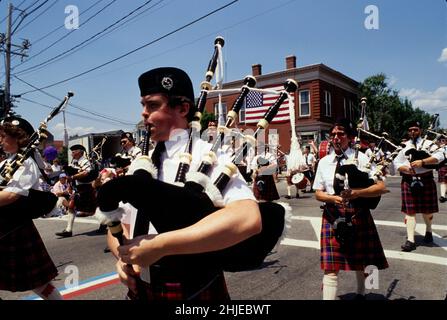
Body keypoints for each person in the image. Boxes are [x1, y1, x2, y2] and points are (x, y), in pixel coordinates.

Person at [106, 67, 261, 300]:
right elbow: (121, 221)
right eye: (142, 105)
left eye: (152, 105)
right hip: (142, 287)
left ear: (183, 108)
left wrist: (161, 245)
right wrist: (121, 255)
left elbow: (249, 219)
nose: (143, 114)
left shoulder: (209, 155)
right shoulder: (141, 162)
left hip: (191, 287)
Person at [313, 118, 388, 300]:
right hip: (333, 215)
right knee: (330, 268)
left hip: (359, 214)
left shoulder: (363, 159)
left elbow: (381, 188)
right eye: (333, 135)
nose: (336, 138)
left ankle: (364, 293)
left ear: (351, 137)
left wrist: (356, 193)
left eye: (341, 134)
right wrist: (332, 198)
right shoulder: (324, 162)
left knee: (366, 263)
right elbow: (318, 193)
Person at [0, 116, 63, 300]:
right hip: (4, 227)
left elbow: (12, 195)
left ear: (17, 138)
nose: (0, 140)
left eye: (3, 136)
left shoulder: (27, 163)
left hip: (15, 230)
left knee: (39, 284)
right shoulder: (5, 163)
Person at [393, 121, 445, 252]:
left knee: (427, 212)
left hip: (426, 179)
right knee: (410, 212)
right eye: (410, 130)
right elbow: (396, 162)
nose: (412, 132)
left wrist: (423, 161)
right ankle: (410, 240)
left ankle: (428, 230)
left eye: (415, 129)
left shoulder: (429, 144)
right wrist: (404, 167)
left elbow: (440, 156)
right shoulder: (404, 146)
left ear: (420, 130)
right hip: (408, 180)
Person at [55, 144, 97, 238]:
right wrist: (69, 185)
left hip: (86, 188)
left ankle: (105, 224)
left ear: (80, 152)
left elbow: (86, 172)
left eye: (74, 151)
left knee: (93, 209)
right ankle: (68, 230)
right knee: (71, 206)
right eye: (72, 151)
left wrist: (73, 176)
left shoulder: (85, 161)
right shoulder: (73, 162)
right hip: (77, 188)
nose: (72, 153)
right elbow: (69, 175)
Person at [436, 137, 447, 203]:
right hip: (442, 166)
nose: (442, 142)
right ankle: (442, 196)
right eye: (441, 141)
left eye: (443, 140)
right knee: (443, 181)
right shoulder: (438, 149)